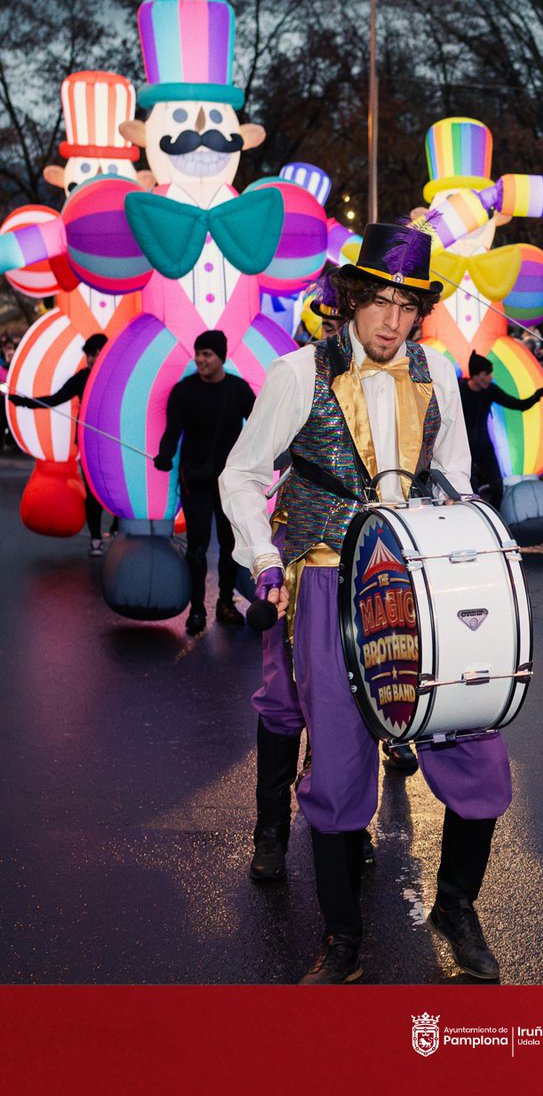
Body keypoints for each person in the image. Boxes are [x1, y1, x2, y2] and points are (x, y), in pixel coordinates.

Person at [220, 222, 511, 985]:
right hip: (324, 579)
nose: (390, 319)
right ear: (350, 300)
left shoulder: (438, 373)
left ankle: (456, 904)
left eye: (405, 304)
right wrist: (262, 555)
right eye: (377, 300)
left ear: (420, 311)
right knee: (341, 762)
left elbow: (451, 477)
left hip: (421, 585)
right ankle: (343, 937)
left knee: (474, 742)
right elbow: (241, 476)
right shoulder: (296, 374)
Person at [154, 330, 255, 634]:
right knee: (197, 547)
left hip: (230, 480)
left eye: (207, 354)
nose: (200, 359)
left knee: (230, 544)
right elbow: (173, 431)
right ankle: (196, 608)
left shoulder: (238, 390)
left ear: (221, 357)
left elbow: (259, 426)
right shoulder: (184, 391)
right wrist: (164, 455)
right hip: (195, 479)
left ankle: (225, 602)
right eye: (198, 353)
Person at [8, 333, 113, 553]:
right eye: (89, 355)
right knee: (93, 492)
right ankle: (96, 539)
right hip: (88, 443)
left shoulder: (116, 376)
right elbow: (56, 399)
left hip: (114, 443)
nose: (91, 359)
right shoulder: (82, 378)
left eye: (93, 354)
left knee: (115, 488)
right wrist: (25, 402)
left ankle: (116, 527)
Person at [458, 350, 543, 506]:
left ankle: (496, 517)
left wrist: (534, 397)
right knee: (471, 489)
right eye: (487, 374)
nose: (491, 377)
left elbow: (517, 404)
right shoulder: (459, 388)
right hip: (464, 447)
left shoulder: (490, 390)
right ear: (476, 375)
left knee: (498, 487)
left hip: (484, 445)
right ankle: (476, 520)